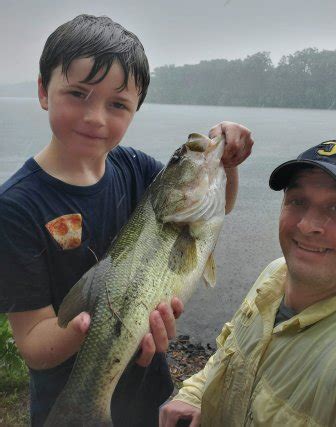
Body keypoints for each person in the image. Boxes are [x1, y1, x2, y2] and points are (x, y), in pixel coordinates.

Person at [0, 14, 253, 427]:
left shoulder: (136, 169)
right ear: (44, 91)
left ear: (136, 109)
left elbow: (215, 211)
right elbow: (31, 342)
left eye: (117, 104)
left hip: (147, 388)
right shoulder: (16, 207)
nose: (96, 116)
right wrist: (98, 325)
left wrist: (226, 163)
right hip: (65, 397)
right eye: (78, 93)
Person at [160, 140, 336, 427]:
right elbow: (231, 348)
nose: (306, 225)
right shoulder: (276, 274)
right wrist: (194, 394)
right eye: (297, 201)